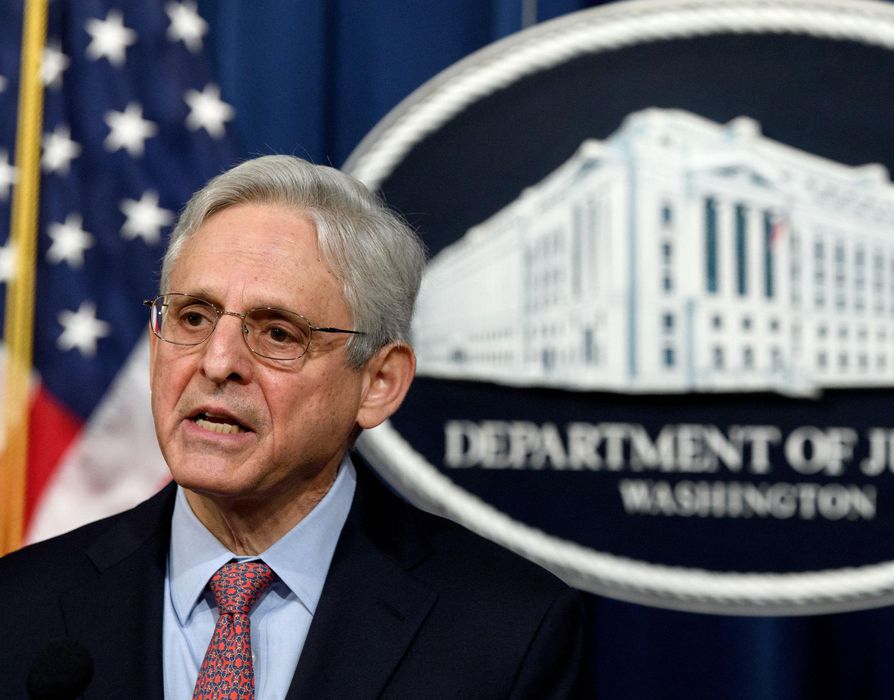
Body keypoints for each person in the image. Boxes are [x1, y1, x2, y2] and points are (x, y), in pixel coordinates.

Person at [0, 155, 587, 698]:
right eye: (194, 316)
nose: (217, 361)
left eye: (278, 332)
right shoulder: (20, 608)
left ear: (379, 383)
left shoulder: (507, 631)